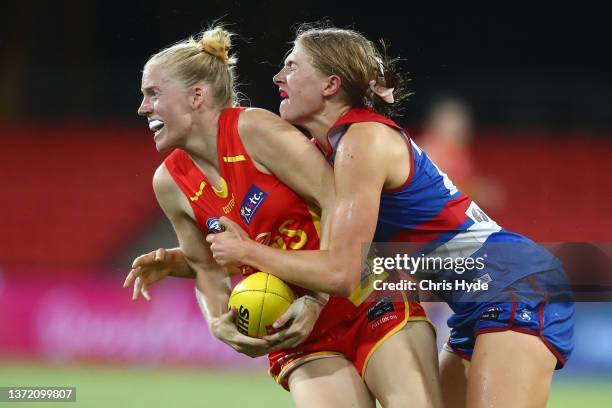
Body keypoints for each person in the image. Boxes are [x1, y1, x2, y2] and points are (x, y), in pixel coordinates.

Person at [203, 24, 575, 408]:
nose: (279, 76)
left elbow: (342, 272)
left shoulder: (361, 142)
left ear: (331, 85)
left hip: (512, 285)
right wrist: (183, 260)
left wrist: (247, 252)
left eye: (293, 66)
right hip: (480, 296)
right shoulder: (334, 147)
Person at [124, 25, 442, 408]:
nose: (143, 108)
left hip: (367, 297)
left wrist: (316, 300)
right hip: (295, 334)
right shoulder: (169, 183)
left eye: (153, 94)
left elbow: (337, 199)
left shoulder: (254, 130)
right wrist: (217, 321)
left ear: (196, 96)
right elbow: (207, 267)